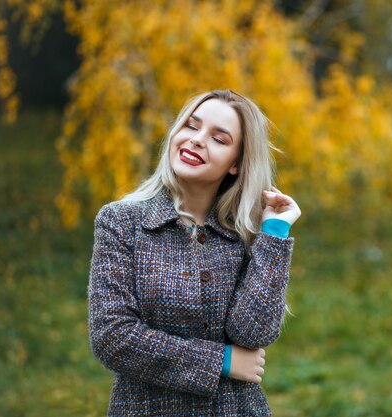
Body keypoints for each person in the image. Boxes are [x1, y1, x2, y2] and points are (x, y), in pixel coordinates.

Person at [88, 89, 301, 416]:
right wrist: (223, 361)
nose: (198, 140)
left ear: (236, 164)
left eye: (219, 138)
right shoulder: (121, 221)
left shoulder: (242, 233)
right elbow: (113, 337)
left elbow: (253, 333)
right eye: (191, 125)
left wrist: (273, 232)